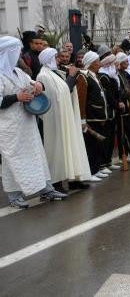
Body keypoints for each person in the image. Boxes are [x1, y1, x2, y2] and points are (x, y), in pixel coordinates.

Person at [0, 36, 67, 208]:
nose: (19, 55)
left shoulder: (18, 72)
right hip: (9, 127)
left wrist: (38, 85)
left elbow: (33, 84)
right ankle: (14, 196)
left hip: (27, 123)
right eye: (16, 52)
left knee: (37, 156)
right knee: (12, 161)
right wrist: (16, 97)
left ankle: (47, 189)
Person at [37, 48, 92, 193]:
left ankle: (73, 179)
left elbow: (65, 91)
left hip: (66, 117)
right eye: (56, 57)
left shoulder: (54, 73)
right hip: (55, 121)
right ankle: (57, 182)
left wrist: (71, 76)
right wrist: (72, 76)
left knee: (71, 147)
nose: (59, 60)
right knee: (57, 150)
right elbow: (59, 96)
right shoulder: (44, 76)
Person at [76, 51, 110, 181]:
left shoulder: (93, 75)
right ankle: (90, 171)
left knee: (97, 145)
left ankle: (96, 169)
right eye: (97, 62)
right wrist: (83, 119)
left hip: (99, 115)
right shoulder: (84, 76)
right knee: (90, 146)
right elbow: (82, 99)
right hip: (91, 116)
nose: (99, 64)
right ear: (91, 63)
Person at [97, 46, 121, 174]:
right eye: (114, 64)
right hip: (107, 112)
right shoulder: (103, 76)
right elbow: (109, 96)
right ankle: (102, 163)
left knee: (111, 137)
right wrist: (117, 104)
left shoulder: (112, 76)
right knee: (105, 138)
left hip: (113, 111)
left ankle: (108, 161)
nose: (116, 66)